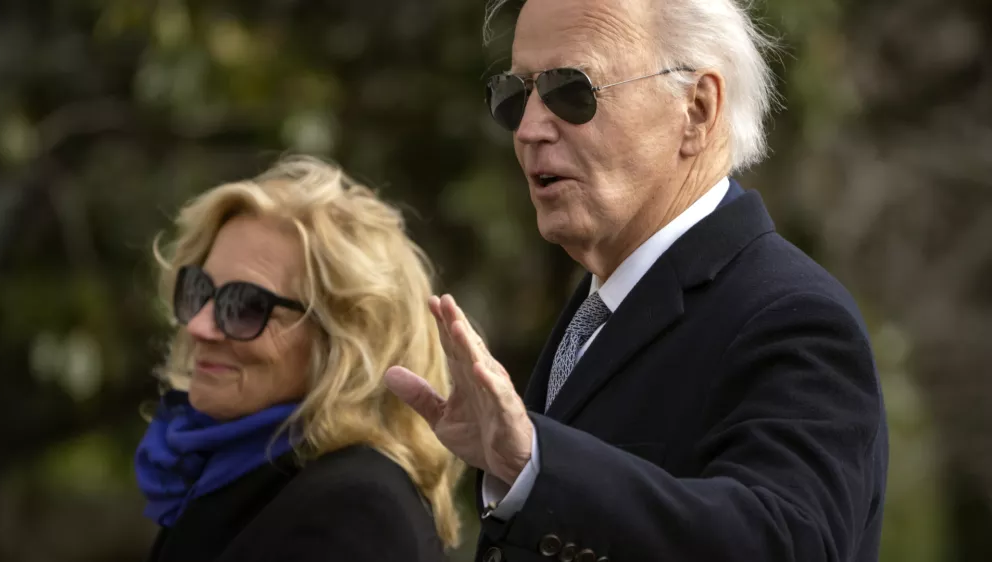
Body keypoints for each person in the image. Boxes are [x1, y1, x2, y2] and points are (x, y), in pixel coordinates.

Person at [384, 0, 889, 561]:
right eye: (516, 94)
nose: (528, 129)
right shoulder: (600, 305)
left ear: (697, 109)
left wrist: (537, 461)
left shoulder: (792, 316)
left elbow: (787, 545)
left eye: (570, 89)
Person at [134, 156, 463, 562]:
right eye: (199, 289)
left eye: (247, 306)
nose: (200, 326)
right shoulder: (228, 473)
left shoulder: (356, 510)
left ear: (343, 343)